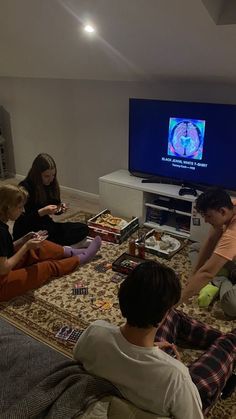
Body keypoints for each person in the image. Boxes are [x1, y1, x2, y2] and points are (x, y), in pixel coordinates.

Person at [73, 261, 236, 419]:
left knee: (173, 315)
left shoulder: (95, 331)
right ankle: (228, 343)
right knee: (228, 343)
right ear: (161, 315)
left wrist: (152, 349)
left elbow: (78, 360)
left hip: (143, 379)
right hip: (180, 392)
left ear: (122, 296)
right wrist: (174, 364)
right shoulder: (177, 376)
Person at [0, 184, 101, 302]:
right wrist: (26, 247)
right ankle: (82, 257)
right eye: (19, 207)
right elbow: (3, 269)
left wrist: (23, 240)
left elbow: (5, 250)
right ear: (7, 208)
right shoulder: (0, 232)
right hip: (2, 284)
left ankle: (73, 252)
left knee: (39, 246)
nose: (23, 211)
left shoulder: (2, 225)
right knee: (47, 267)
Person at [181, 187, 236, 317]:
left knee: (231, 304)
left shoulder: (232, 234)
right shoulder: (231, 205)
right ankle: (220, 275)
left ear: (222, 211)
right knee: (195, 248)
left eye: (208, 216)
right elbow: (211, 239)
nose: (205, 220)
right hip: (231, 258)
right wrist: (194, 274)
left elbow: (206, 273)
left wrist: (178, 301)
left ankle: (221, 280)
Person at [13, 153, 89, 246]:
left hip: (46, 226)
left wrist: (60, 208)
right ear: (37, 174)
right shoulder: (25, 187)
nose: (51, 179)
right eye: (47, 176)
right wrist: (42, 212)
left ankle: (61, 248)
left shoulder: (51, 184)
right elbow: (23, 219)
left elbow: (55, 207)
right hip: (27, 230)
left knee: (83, 228)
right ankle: (63, 249)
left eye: (53, 175)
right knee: (44, 241)